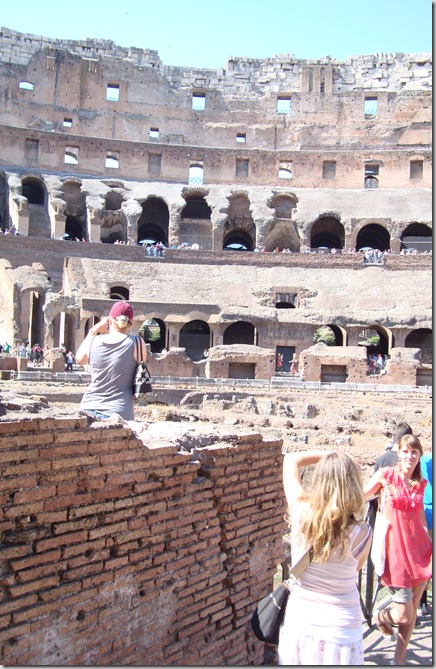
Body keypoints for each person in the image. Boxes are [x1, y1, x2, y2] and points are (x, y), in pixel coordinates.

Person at [278, 450, 372, 665]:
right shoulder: (363, 533)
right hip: (342, 629)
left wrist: (332, 455)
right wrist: (344, 462)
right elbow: (356, 569)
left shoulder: (301, 513)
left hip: (302, 622)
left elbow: (291, 460)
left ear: (319, 480)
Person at [363, 434, 432, 666]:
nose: (410, 456)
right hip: (396, 553)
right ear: (399, 453)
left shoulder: (420, 483)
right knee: (404, 614)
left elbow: (421, 518)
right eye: (405, 451)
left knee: (411, 612)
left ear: (419, 455)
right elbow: (362, 494)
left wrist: (429, 544)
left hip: (420, 552)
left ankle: (398, 661)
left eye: (414, 452)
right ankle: (381, 616)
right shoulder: (386, 475)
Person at [76, 302, 147, 421]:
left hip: (89, 407)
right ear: (131, 323)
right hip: (119, 411)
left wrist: (94, 330)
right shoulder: (138, 343)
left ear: (109, 320)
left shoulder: (93, 341)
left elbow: (79, 360)